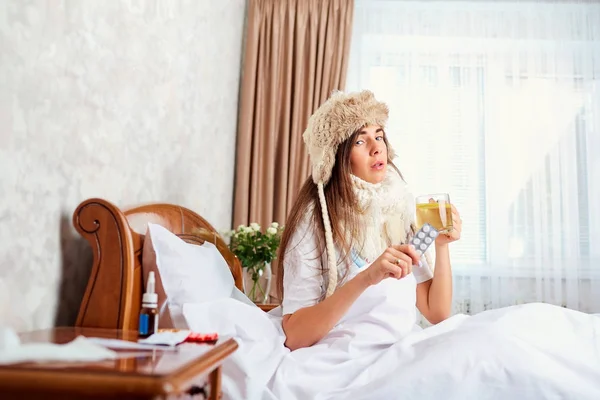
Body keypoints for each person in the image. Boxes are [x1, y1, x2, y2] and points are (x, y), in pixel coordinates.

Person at [276, 90, 463, 351]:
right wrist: (366, 277)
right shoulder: (315, 220)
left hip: (400, 350)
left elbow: (436, 312)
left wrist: (442, 246)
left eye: (379, 136)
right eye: (360, 142)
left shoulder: (398, 209)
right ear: (336, 157)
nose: (377, 148)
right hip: (344, 356)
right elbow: (295, 336)